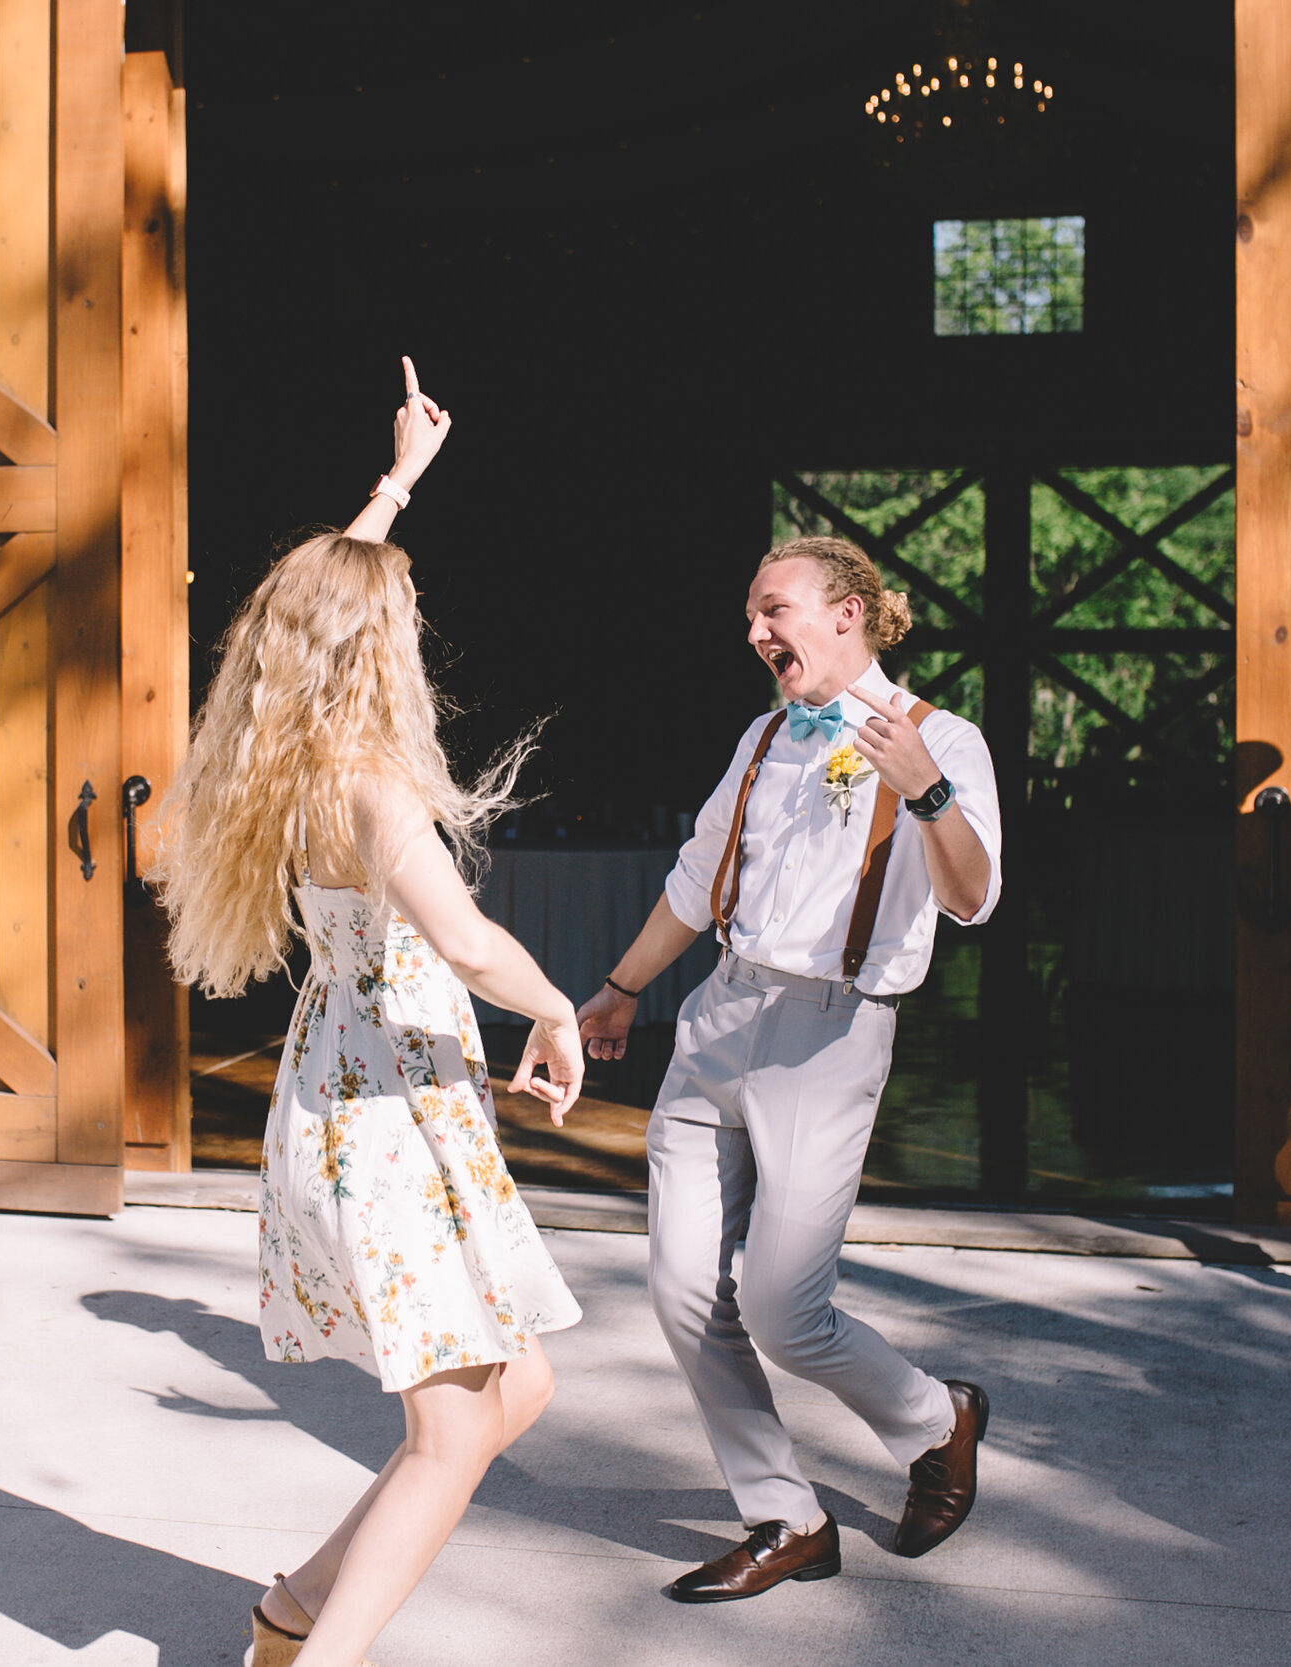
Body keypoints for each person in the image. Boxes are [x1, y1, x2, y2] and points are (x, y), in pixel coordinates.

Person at [151, 358, 585, 1667]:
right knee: (453, 1432)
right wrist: (558, 1003)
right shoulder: (376, 789)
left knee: (520, 1387)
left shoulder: (273, 765)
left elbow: (305, 611)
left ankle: (291, 1616)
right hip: (388, 1119)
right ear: (376, 646)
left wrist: (397, 484)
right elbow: (466, 939)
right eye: (397, 614)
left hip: (353, 1101)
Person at [574, 534, 1003, 1603]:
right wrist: (623, 987)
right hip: (719, 1010)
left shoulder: (943, 738)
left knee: (780, 1305)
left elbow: (972, 899)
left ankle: (932, 1418)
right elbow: (694, 875)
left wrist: (931, 794)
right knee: (679, 1291)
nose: (756, 631)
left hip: (831, 1029)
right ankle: (784, 1515)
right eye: (752, 614)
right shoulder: (762, 735)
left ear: (849, 611)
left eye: (775, 608)